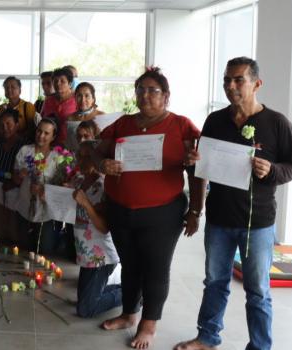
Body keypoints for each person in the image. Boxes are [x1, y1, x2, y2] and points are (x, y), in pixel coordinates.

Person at [175, 57, 292, 350]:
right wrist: (192, 166)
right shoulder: (215, 121)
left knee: (257, 291)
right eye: (226, 80)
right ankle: (207, 337)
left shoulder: (277, 123)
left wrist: (271, 171)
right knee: (215, 282)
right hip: (218, 219)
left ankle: (260, 346)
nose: (230, 86)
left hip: (258, 223)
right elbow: (200, 169)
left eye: (238, 80)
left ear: (257, 84)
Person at [96, 67, 205, 349]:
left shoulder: (182, 126)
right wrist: (101, 164)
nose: (145, 95)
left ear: (166, 96)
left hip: (162, 212)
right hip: (120, 209)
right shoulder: (122, 124)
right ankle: (129, 314)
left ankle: (149, 324)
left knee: (156, 268)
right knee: (130, 264)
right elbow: (94, 151)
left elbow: (199, 169)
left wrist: (195, 210)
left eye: (152, 90)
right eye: (140, 90)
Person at [72, 141, 121, 318]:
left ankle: (133, 293)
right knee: (83, 301)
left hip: (102, 256)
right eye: (80, 155)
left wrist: (86, 203)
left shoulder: (104, 186)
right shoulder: (79, 180)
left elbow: (104, 227)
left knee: (85, 309)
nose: (82, 160)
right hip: (87, 254)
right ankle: (126, 287)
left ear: (96, 159)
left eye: (87, 156)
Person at [13, 118, 63, 254]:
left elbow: (61, 186)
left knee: (44, 250)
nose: (41, 136)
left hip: (46, 211)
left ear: (53, 137)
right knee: (23, 249)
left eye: (46, 133)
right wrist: (20, 175)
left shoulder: (57, 157)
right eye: (39, 131)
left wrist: (43, 190)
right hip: (24, 207)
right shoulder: (25, 151)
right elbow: (15, 180)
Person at [0, 109, 24, 244]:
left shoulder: (24, 146)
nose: (5, 128)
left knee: (15, 233)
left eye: (9, 124)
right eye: (1, 125)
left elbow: (26, 171)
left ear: (17, 125)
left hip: (16, 189)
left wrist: (13, 184)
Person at [0, 76, 36, 143]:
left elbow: (32, 129)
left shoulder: (28, 106)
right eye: (7, 88)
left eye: (13, 87)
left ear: (20, 90)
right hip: (4, 145)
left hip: (23, 144)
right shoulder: (1, 108)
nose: (9, 90)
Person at [41, 67, 77, 146]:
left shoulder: (77, 99)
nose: (58, 84)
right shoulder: (48, 100)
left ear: (70, 84)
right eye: (55, 81)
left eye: (62, 81)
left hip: (71, 145)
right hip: (50, 144)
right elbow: (42, 120)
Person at [66, 82, 105, 152]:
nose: (83, 100)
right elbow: (69, 143)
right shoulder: (70, 118)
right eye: (79, 96)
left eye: (87, 96)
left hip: (95, 156)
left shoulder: (102, 116)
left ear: (93, 99)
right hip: (74, 157)